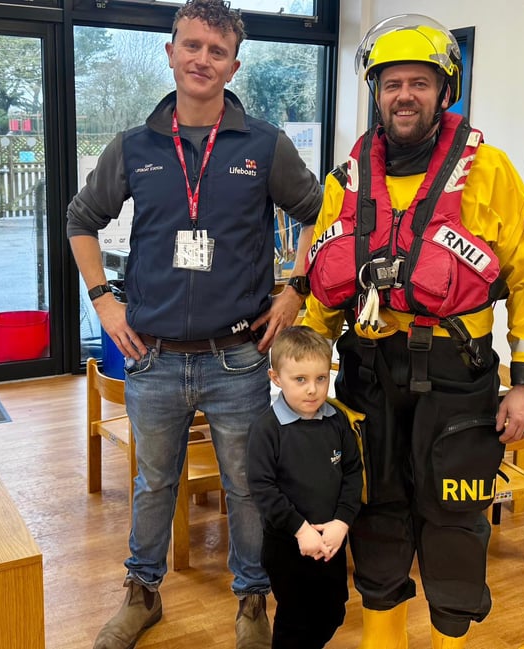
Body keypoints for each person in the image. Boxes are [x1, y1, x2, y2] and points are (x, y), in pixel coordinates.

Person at [65, 1, 322, 647]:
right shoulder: (135, 146)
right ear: (171, 52)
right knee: (154, 484)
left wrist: (296, 287)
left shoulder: (263, 145)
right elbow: (80, 219)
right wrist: (103, 300)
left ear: (233, 65)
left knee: (246, 487)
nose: (202, 59)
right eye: (192, 45)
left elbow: (321, 214)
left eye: (217, 50)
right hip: (152, 356)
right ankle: (141, 594)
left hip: (237, 357)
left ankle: (252, 601)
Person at [302, 14, 524, 649]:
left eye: (420, 82)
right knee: (374, 517)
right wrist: (299, 372)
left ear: (446, 91)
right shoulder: (346, 180)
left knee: (454, 524)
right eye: (392, 84)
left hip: (457, 377)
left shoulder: (490, 171)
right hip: (368, 373)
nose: (404, 96)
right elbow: (322, 286)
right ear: (376, 92)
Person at [247, 325, 363, 649]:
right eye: (300, 380)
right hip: (287, 545)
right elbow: (263, 488)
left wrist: (342, 522)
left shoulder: (337, 421)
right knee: (294, 621)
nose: (312, 390)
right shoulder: (266, 429)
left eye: (321, 378)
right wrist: (300, 530)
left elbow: (353, 472)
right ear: (276, 378)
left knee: (332, 612)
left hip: (332, 541)